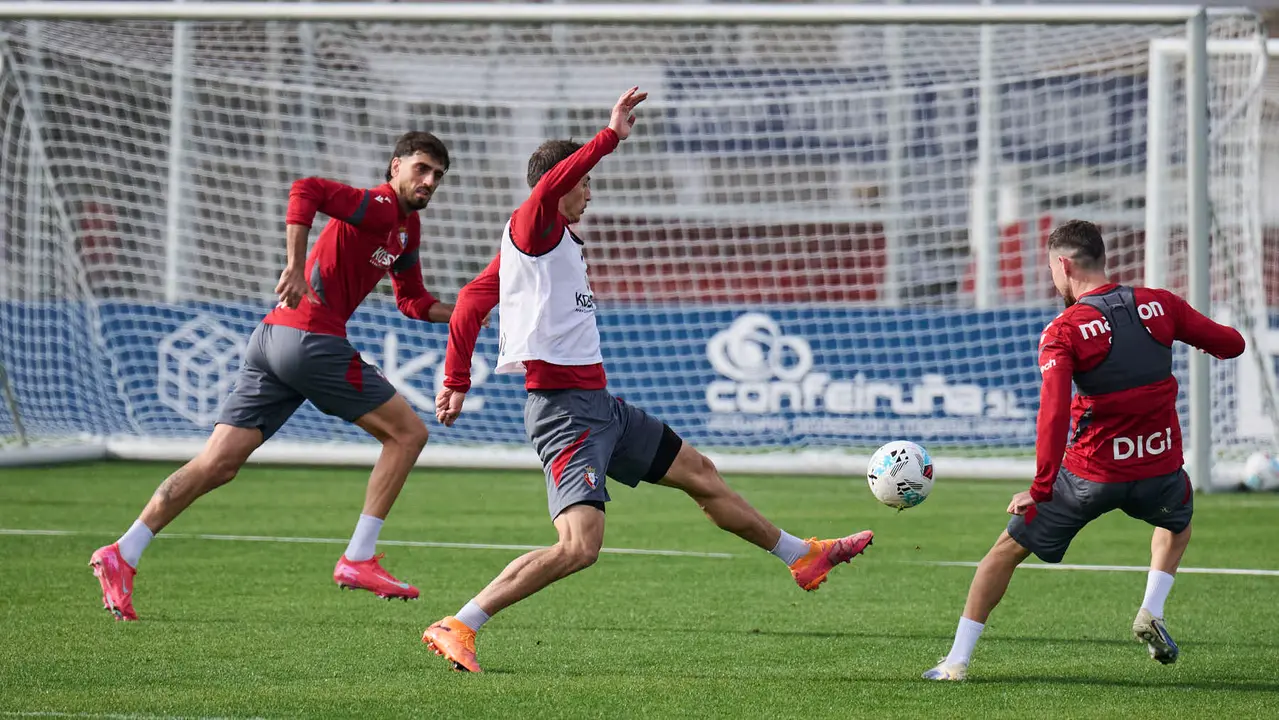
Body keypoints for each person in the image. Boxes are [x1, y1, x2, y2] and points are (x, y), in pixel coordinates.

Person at [422, 87, 874, 673]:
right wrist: (610, 136)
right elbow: (551, 192)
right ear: (558, 187)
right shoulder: (532, 225)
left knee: (701, 474)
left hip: (600, 407)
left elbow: (469, 300)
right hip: (565, 414)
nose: (591, 191)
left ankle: (801, 556)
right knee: (580, 548)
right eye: (583, 184)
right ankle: (460, 622)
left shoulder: (539, 253)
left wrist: (457, 378)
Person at [90, 131, 462, 621]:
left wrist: (464, 312)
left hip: (272, 340)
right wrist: (294, 267)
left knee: (217, 464)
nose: (429, 181)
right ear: (395, 168)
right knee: (408, 434)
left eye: (437, 175)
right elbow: (305, 188)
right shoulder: (375, 205)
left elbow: (412, 300)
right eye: (421, 169)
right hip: (310, 339)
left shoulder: (405, 231)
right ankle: (358, 557)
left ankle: (124, 551)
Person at [922, 219, 1246, 681]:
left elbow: (1052, 415)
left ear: (1064, 264)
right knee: (1177, 521)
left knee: (1002, 554)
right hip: (1159, 470)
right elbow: (1232, 344)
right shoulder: (1161, 304)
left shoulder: (1065, 329)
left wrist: (1041, 486)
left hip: (1089, 476)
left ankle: (956, 661)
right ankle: (1151, 609)